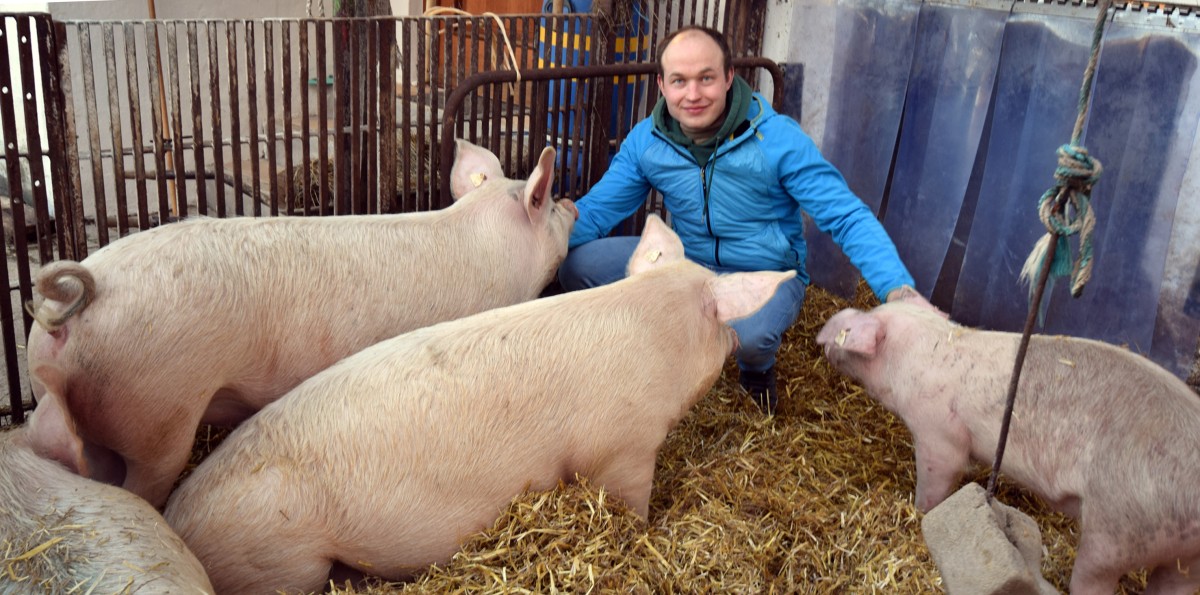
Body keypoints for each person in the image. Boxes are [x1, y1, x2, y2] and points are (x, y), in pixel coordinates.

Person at [557, 25, 934, 414]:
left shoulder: (776, 140)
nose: (693, 94)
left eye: (706, 78)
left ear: (729, 77)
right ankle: (649, 342)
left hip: (766, 274)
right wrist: (545, 235)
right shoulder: (648, 141)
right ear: (661, 85)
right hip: (686, 264)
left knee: (748, 337)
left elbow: (846, 216)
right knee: (578, 266)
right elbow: (600, 210)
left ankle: (756, 371)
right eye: (679, 81)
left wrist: (897, 290)